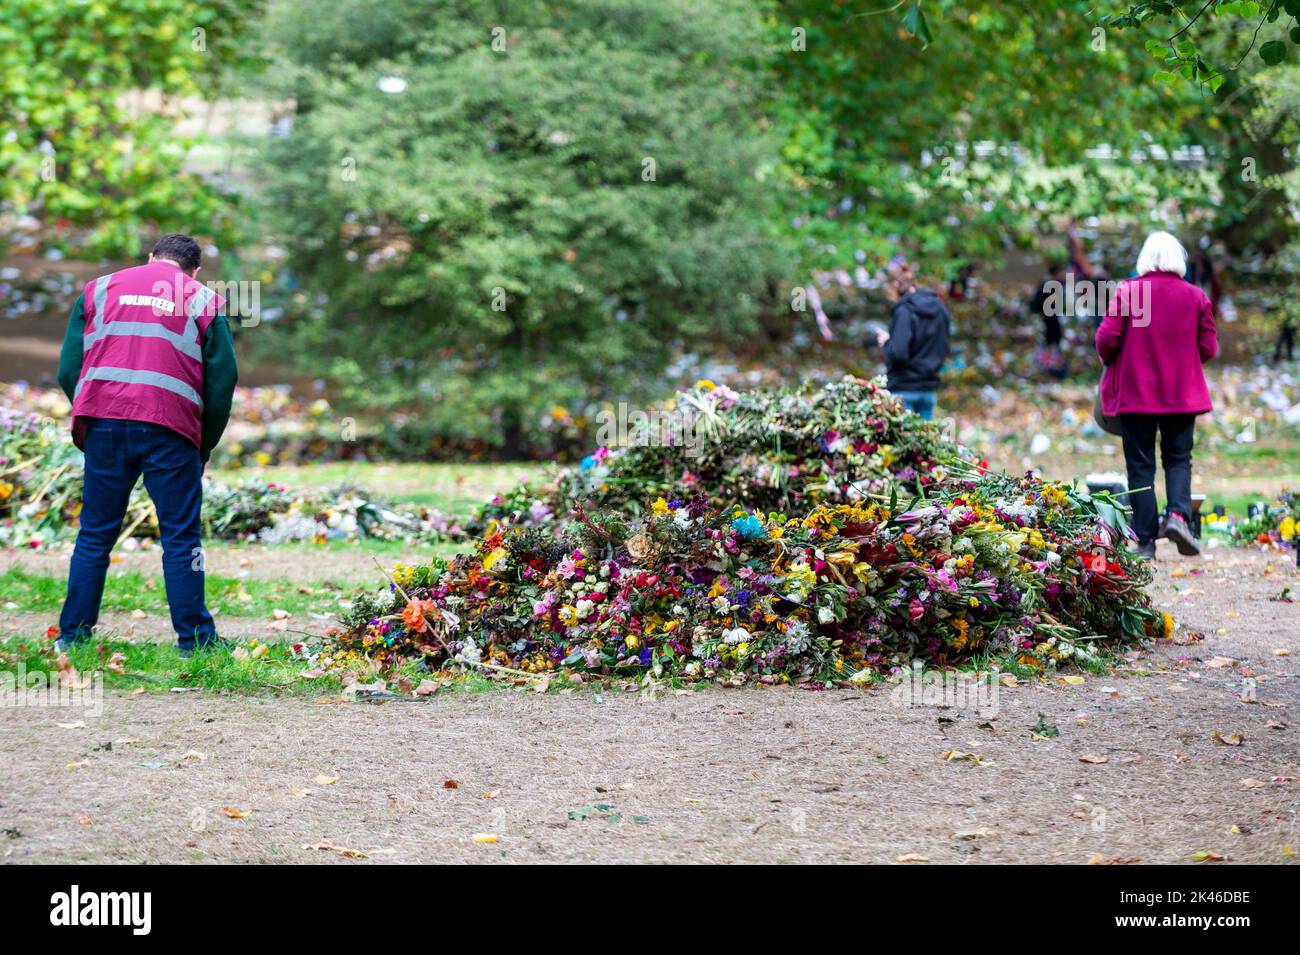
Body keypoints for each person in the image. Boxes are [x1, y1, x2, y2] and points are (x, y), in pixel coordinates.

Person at [55, 234, 239, 656]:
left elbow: (69, 367)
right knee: (181, 539)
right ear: (194, 270)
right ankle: (195, 642)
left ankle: (73, 638)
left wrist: (92, 409)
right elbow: (222, 383)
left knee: (95, 536)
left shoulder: (99, 289)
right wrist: (202, 445)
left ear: (151, 258)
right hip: (170, 430)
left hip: (105, 424)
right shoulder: (203, 300)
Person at [1096, 231, 1217, 559]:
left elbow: (1106, 339)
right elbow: (1209, 346)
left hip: (1137, 395)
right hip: (1182, 395)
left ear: (1145, 259)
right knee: (1178, 459)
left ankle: (1146, 542)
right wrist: (1184, 363)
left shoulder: (1130, 292)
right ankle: (1178, 516)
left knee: (1140, 466)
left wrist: (1117, 360)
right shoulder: (1195, 297)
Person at [877, 257, 951, 420]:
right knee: (922, 443)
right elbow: (944, 345)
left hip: (904, 390)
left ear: (895, 285)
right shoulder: (940, 308)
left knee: (905, 443)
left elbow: (899, 353)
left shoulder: (904, 311)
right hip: (929, 389)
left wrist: (887, 342)